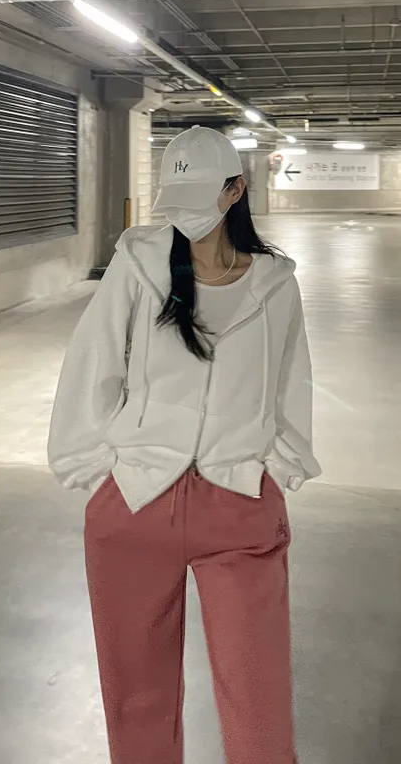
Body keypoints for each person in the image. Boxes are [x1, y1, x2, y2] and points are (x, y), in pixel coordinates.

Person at [48, 124, 321, 764]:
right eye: (177, 200)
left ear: (235, 191)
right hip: (135, 501)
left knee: (258, 701)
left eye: (202, 196)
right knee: (135, 697)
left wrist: (277, 467)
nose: (187, 215)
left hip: (240, 503)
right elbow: (92, 362)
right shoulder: (140, 263)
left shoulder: (275, 282)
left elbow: (291, 378)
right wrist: (95, 469)